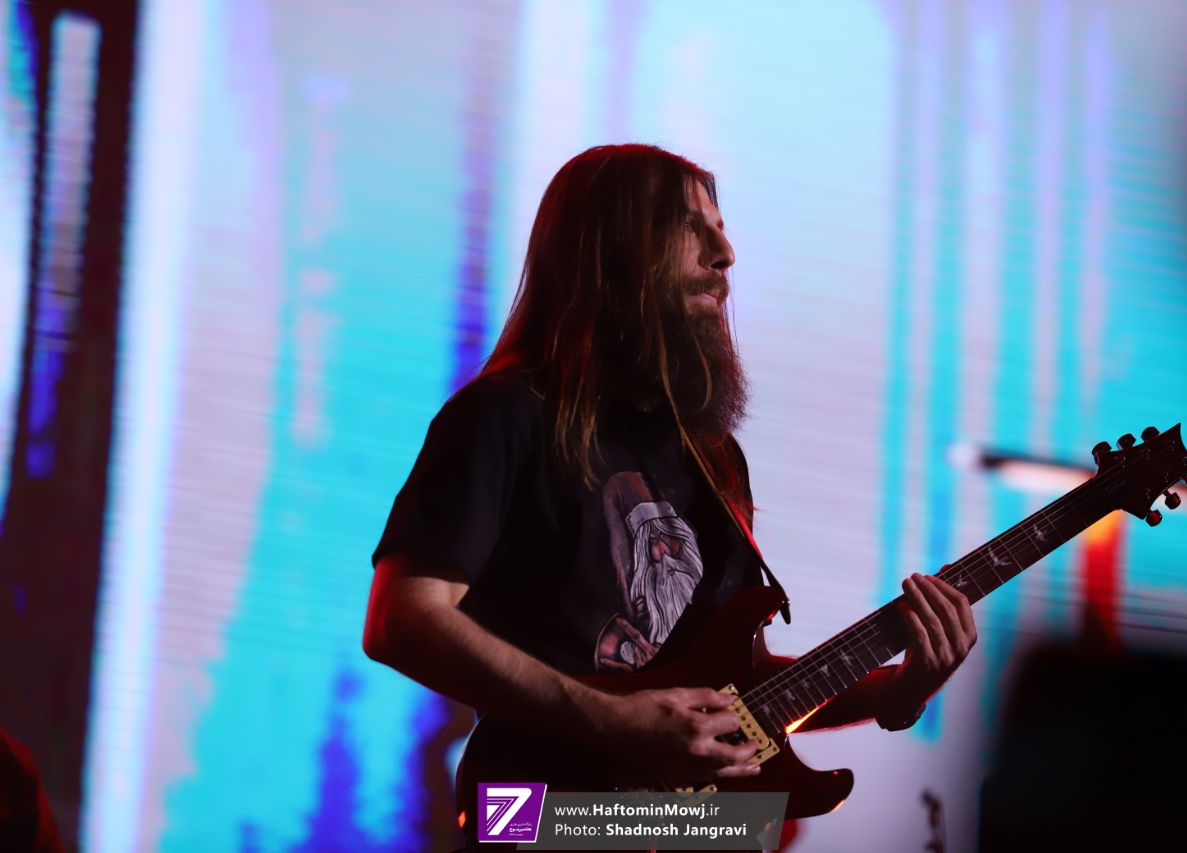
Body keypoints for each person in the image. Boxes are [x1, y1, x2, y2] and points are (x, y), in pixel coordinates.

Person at [362, 144, 978, 847]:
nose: (725, 254)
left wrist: (898, 691)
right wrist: (618, 720)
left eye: (722, 229)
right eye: (691, 228)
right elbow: (399, 619)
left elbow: (733, 690)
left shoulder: (711, 457)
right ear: (611, 248)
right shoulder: (506, 416)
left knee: (777, 831)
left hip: (683, 824)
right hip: (524, 816)